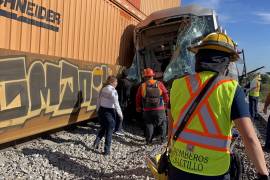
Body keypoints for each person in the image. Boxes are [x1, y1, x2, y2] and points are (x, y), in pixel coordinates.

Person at [167, 32, 269, 179]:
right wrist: (263, 173)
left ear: (199, 57)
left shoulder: (177, 84)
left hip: (177, 166)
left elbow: (171, 129)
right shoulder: (231, 89)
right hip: (213, 171)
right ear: (225, 62)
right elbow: (249, 138)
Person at [136, 68, 169, 144]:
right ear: (152, 76)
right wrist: (167, 104)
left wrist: (138, 107)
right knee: (163, 123)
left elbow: (138, 97)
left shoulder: (142, 86)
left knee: (149, 124)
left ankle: (149, 141)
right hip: (159, 109)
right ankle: (163, 139)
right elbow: (165, 94)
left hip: (147, 110)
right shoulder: (159, 84)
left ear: (145, 77)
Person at [93, 76, 123, 155]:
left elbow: (98, 100)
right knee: (109, 131)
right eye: (116, 82)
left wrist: (97, 110)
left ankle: (96, 142)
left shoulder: (103, 89)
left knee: (103, 128)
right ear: (112, 82)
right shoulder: (113, 91)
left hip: (101, 111)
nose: (117, 83)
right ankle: (106, 151)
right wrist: (120, 115)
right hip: (110, 112)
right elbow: (116, 104)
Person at [115, 69, 132, 136]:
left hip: (116, 100)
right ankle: (118, 129)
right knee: (121, 115)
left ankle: (116, 127)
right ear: (127, 75)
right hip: (123, 102)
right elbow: (128, 94)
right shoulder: (128, 83)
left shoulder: (117, 81)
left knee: (116, 114)